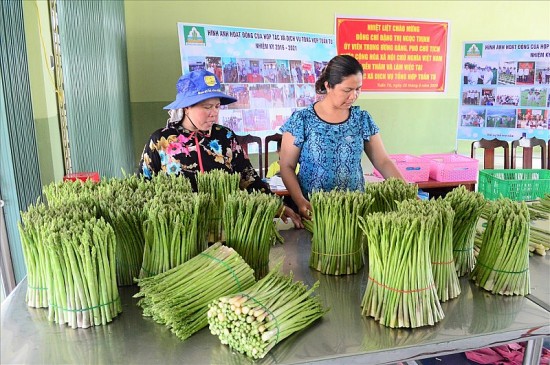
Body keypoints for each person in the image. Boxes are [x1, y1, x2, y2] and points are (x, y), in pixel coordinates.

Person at [138, 69, 303, 228]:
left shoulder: (225, 137)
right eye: (207, 107)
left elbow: (249, 179)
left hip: (225, 227)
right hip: (180, 230)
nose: (214, 113)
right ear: (187, 107)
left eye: (217, 106)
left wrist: (277, 205)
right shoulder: (161, 141)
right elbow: (144, 187)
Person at [279, 55, 405, 220]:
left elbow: (383, 161)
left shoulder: (362, 119)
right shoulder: (302, 120)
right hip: (314, 211)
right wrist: (301, 201)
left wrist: (407, 192)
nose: (353, 96)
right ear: (328, 86)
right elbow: (287, 166)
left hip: (354, 211)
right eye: (347, 90)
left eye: (358, 89)